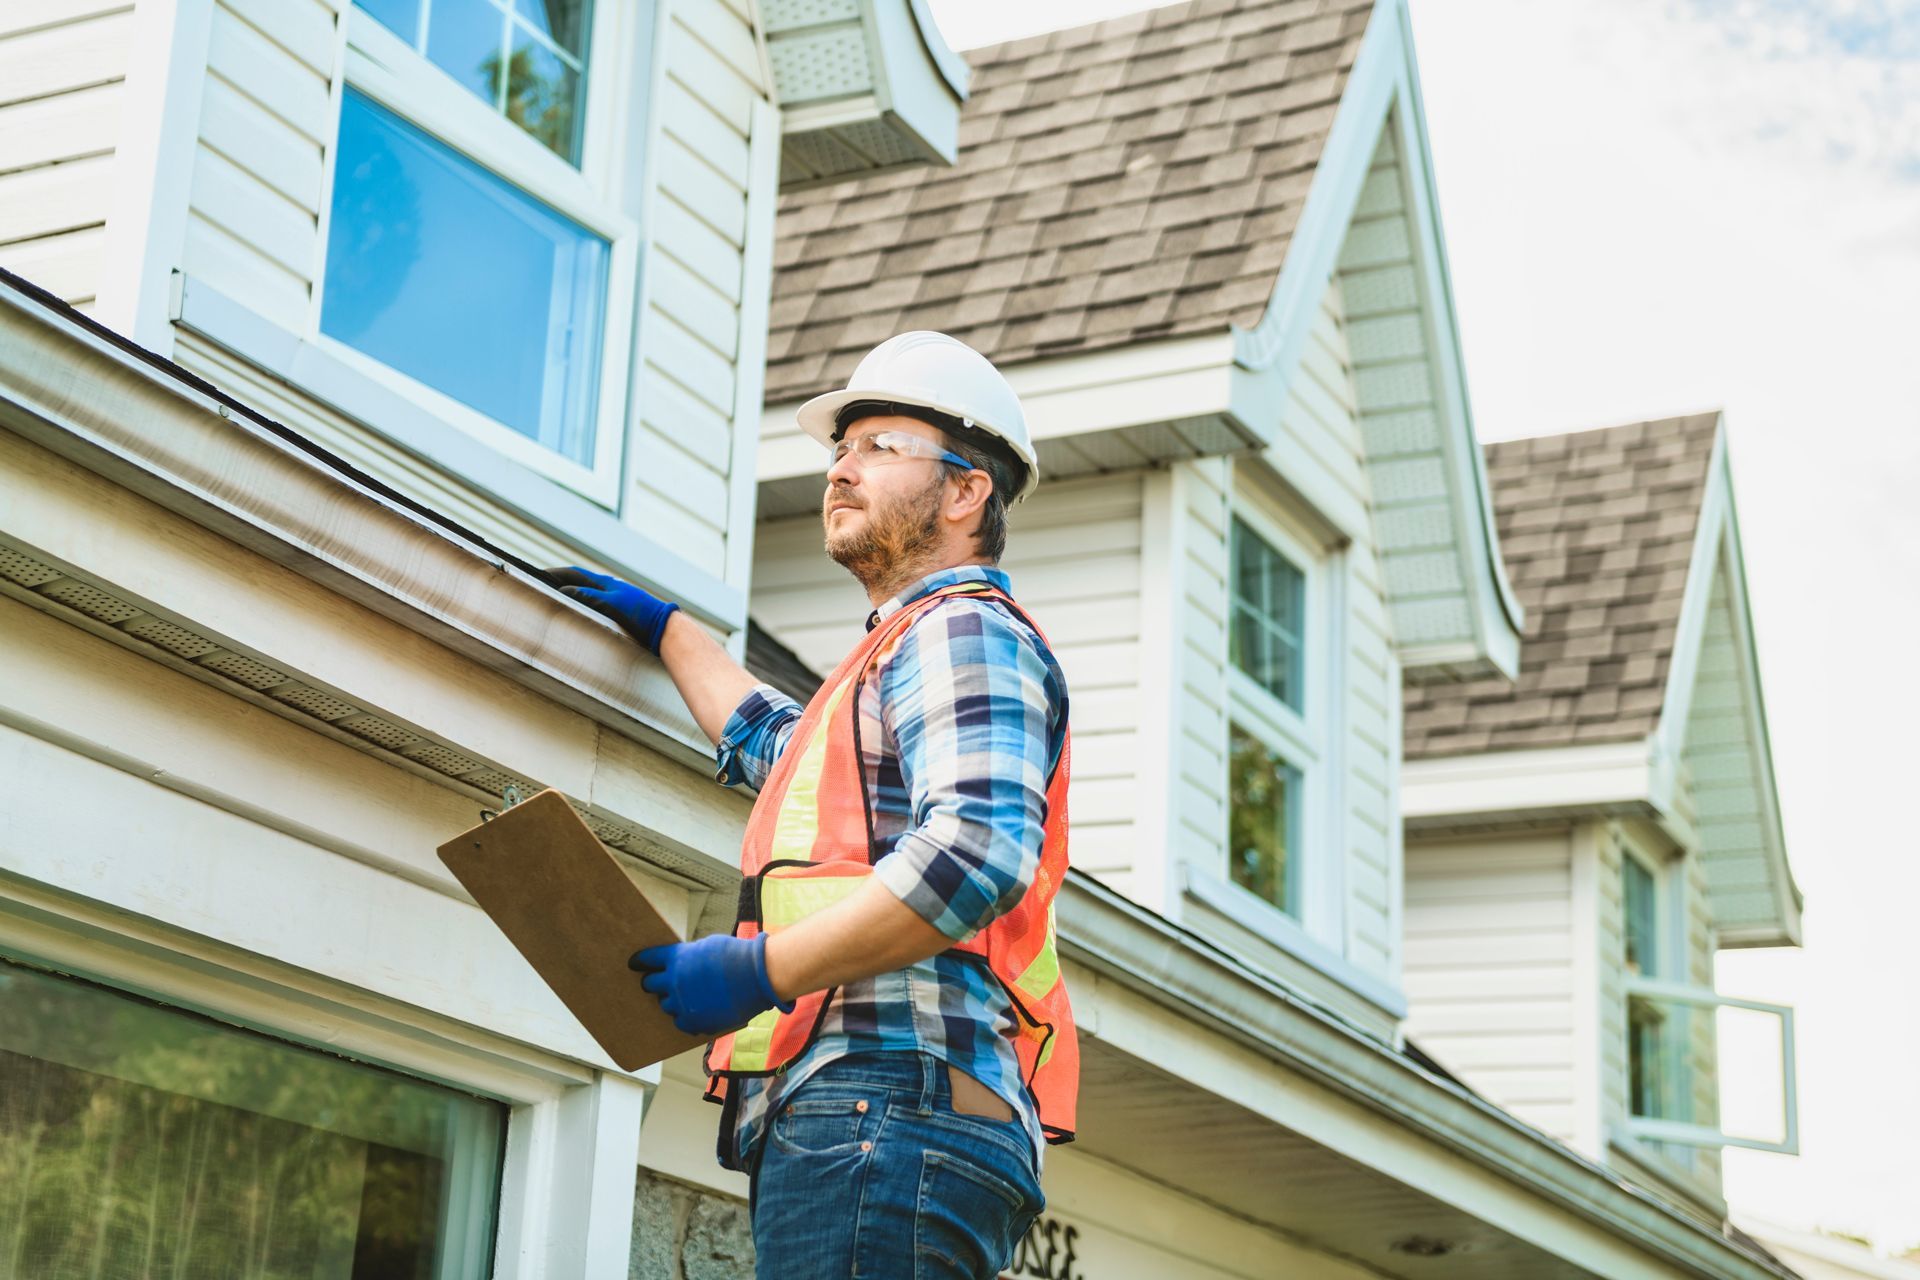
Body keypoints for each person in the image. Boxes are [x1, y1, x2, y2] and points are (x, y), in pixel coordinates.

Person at [549, 331, 1078, 1280]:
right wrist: (673, 634)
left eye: (881, 447)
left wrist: (758, 971)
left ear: (967, 493)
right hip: (879, 1117)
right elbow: (779, 750)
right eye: (840, 448)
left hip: (886, 1107)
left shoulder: (961, 628)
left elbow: (974, 854)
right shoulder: (893, 656)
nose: (842, 469)